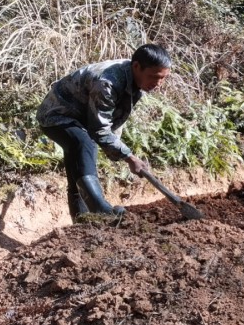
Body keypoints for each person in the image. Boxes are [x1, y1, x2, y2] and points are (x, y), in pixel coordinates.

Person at [37, 44, 172, 223]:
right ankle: (101, 211)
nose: (158, 84)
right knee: (84, 144)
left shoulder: (134, 79)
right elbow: (99, 129)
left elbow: (113, 121)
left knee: (78, 163)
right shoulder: (108, 82)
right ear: (137, 66)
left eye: (163, 78)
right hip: (57, 115)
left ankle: (82, 222)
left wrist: (117, 149)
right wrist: (129, 157)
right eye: (154, 77)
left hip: (82, 119)